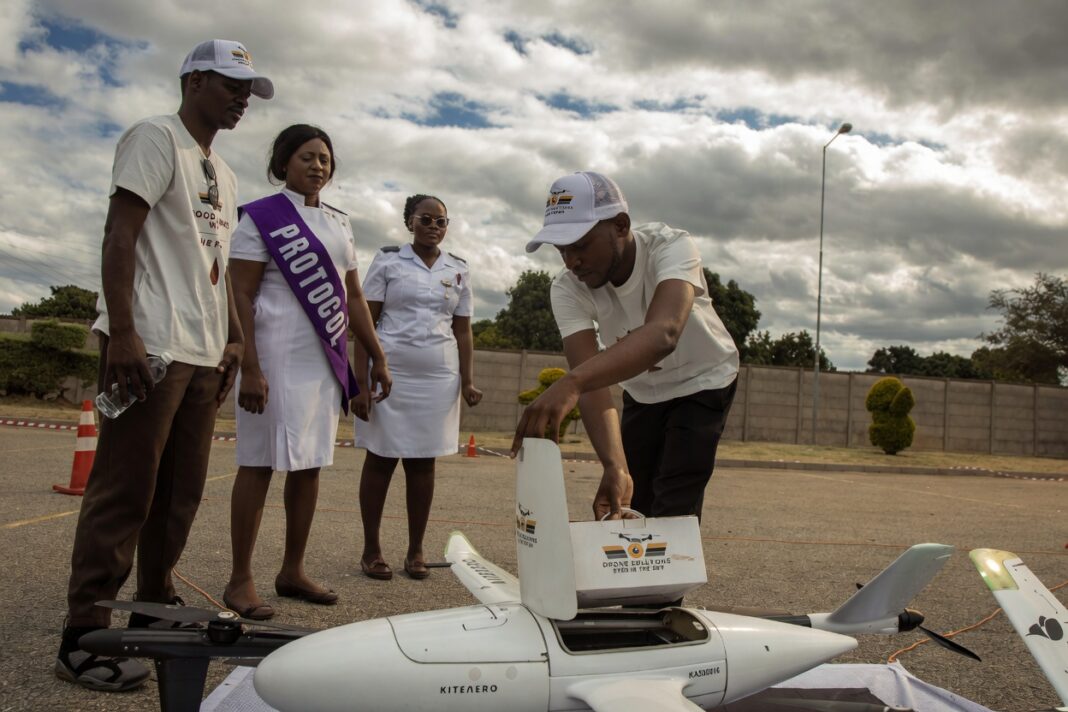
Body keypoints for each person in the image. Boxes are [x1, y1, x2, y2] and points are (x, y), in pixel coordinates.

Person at [56, 39, 272, 692]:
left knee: (178, 498)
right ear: (194, 79)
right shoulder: (155, 138)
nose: (241, 98)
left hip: (203, 352)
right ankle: (84, 634)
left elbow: (214, 270)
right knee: (125, 493)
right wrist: (120, 331)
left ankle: (152, 604)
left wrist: (233, 341)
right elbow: (119, 234)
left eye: (248, 89)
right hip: (149, 343)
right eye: (231, 84)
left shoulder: (224, 173)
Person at [222, 125, 390, 619]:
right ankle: (239, 579)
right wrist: (248, 366)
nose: (317, 165)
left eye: (324, 158)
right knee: (258, 462)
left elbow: (354, 296)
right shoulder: (260, 218)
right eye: (306, 157)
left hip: (322, 356)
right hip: (272, 352)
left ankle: (292, 570)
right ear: (282, 163)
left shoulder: (339, 223)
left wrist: (376, 355)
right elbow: (240, 296)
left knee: (311, 462)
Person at [512, 172, 739, 523]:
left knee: (672, 508)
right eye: (562, 250)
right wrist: (614, 466)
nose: (571, 261)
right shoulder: (568, 288)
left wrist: (571, 382)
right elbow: (593, 387)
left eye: (580, 245)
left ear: (620, 225)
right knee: (634, 502)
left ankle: (671, 573)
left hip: (703, 380)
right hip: (645, 393)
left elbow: (664, 333)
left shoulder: (671, 246)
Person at [354, 194, 482, 581]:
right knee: (380, 459)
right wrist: (360, 383)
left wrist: (468, 381)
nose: (434, 226)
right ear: (410, 221)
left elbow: (463, 331)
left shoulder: (458, 269)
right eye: (425, 218)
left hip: (438, 378)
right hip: (388, 375)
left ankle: (416, 550)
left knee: (423, 463)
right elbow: (364, 324)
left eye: (441, 221)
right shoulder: (388, 261)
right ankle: (372, 550)